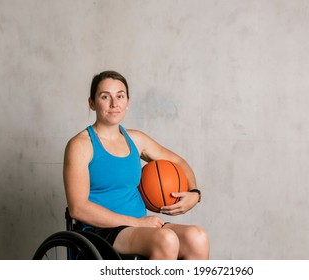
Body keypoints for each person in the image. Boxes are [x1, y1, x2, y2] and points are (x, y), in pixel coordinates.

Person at [63, 70, 209, 260]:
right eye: (105, 96)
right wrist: (136, 222)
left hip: (141, 227)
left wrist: (194, 193)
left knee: (197, 237)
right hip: (100, 232)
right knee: (166, 239)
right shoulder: (81, 145)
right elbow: (78, 208)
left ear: (127, 102)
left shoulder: (136, 139)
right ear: (92, 103)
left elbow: (178, 162)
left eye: (120, 96)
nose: (114, 104)